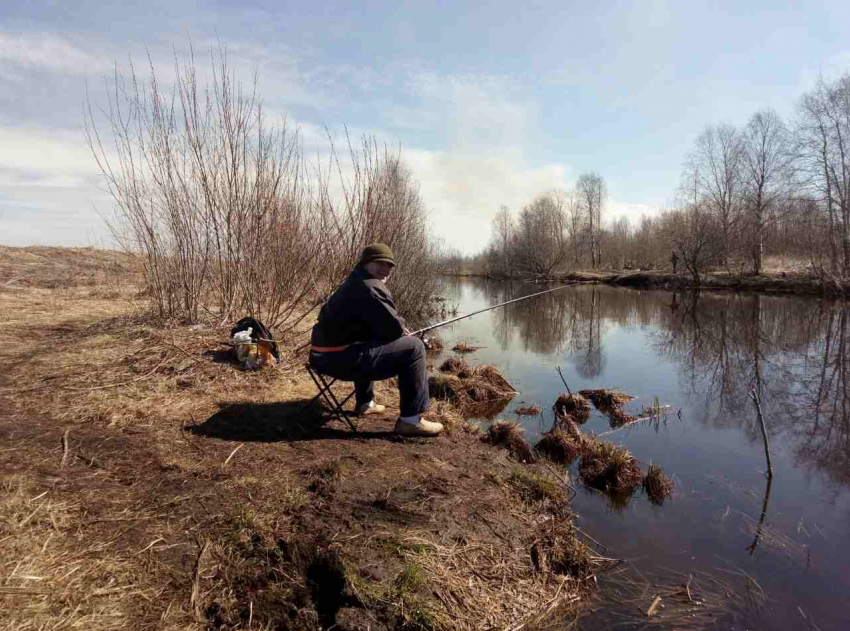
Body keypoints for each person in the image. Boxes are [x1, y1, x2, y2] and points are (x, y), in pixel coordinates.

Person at [309, 243, 443, 437]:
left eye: (389, 265)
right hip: (338, 361)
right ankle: (410, 420)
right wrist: (402, 330)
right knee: (414, 347)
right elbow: (395, 328)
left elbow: (379, 328)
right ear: (365, 263)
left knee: (367, 338)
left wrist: (393, 330)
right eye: (379, 263)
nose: (385, 269)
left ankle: (365, 403)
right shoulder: (370, 287)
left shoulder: (353, 282)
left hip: (321, 358)